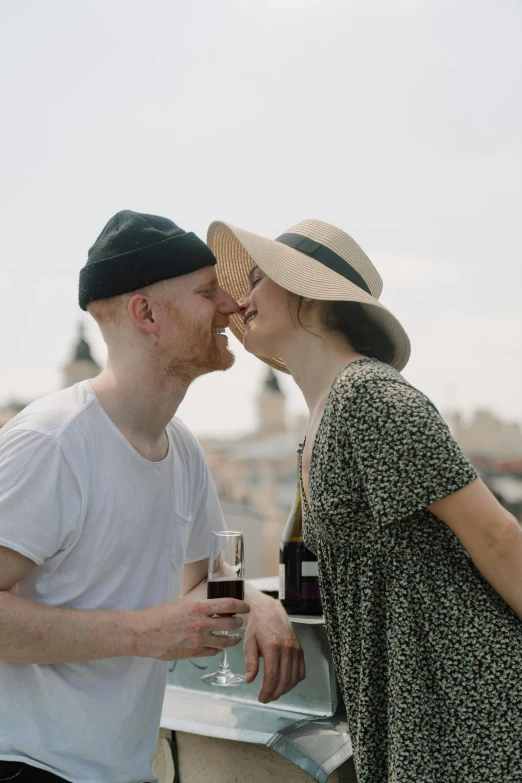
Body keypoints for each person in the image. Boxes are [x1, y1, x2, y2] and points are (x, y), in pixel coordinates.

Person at [208, 218, 522, 783]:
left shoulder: (368, 398)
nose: (241, 299)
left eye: (257, 279)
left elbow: (499, 537)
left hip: (468, 698)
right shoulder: (322, 420)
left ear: (307, 293)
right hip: (413, 702)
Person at [0, 211, 304, 783]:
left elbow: (198, 580)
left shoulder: (182, 448)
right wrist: (141, 632)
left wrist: (260, 603)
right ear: (146, 314)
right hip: (30, 769)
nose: (232, 306)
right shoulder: (52, 442)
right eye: (207, 291)